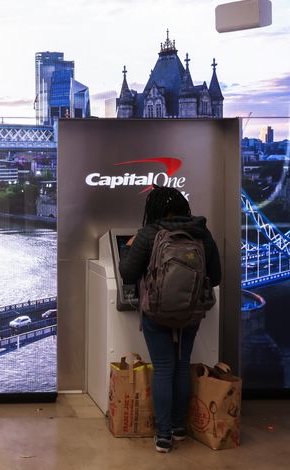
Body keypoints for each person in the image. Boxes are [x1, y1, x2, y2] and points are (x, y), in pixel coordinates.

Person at [118, 186, 221, 454]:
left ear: (153, 209)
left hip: (156, 311)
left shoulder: (148, 234)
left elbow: (128, 274)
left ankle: (164, 436)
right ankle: (178, 427)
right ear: (184, 207)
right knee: (181, 363)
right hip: (191, 312)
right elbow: (217, 276)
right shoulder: (202, 232)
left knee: (164, 367)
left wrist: (128, 249)